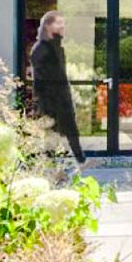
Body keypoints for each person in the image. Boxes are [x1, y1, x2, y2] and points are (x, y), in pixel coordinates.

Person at [29, 11, 86, 167]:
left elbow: (61, 77)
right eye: (58, 23)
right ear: (48, 26)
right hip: (51, 102)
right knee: (51, 136)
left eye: (63, 22)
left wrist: (67, 97)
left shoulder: (58, 48)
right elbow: (40, 81)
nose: (62, 26)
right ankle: (49, 165)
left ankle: (80, 160)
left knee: (71, 132)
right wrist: (47, 104)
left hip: (63, 100)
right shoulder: (40, 49)